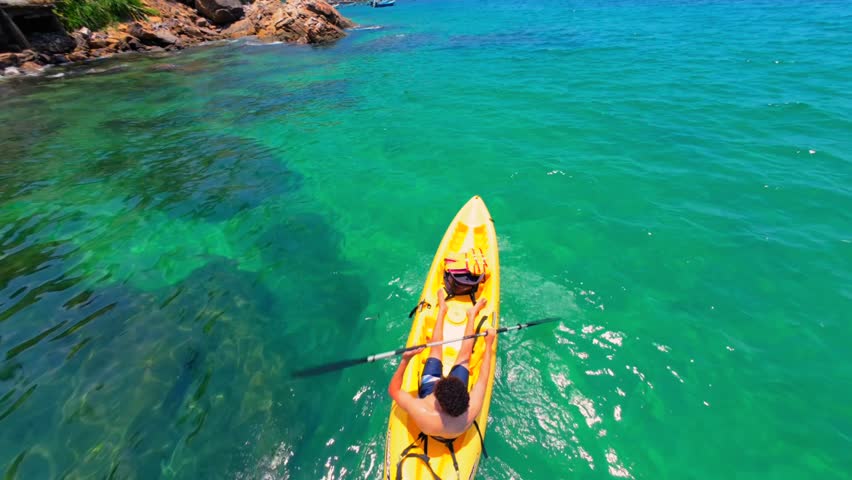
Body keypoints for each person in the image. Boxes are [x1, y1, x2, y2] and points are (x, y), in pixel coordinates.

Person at [388, 290, 495, 439]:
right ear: (466, 397)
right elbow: (484, 377)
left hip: (432, 411)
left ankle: (442, 311)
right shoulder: (469, 413)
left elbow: (394, 391)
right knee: (465, 356)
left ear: (436, 397)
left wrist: (405, 360)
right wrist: (488, 344)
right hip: (451, 409)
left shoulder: (421, 411)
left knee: (435, 351)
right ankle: (471, 315)